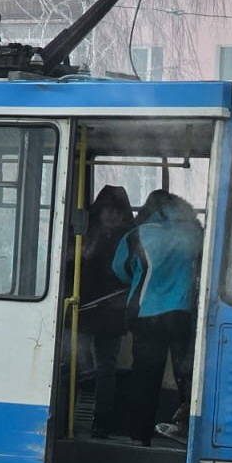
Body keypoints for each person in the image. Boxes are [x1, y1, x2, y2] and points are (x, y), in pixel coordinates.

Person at [113, 190, 203, 447]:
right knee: (185, 374)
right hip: (182, 312)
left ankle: (140, 435)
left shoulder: (137, 234)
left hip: (146, 313)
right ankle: (186, 430)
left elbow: (120, 268)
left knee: (145, 376)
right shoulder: (194, 233)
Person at [79, 185, 134, 439]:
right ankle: (76, 414)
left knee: (105, 367)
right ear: (99, 211)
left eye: (118, 211)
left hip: (110, 310)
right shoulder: (86, 234)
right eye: (107, 210)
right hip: (81, 306)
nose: (112, 216)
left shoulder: (128, 238)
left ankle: (102, 420)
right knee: (76, 362)